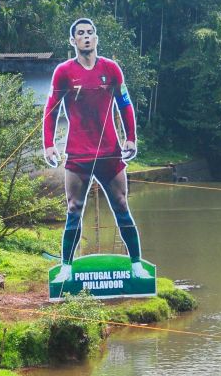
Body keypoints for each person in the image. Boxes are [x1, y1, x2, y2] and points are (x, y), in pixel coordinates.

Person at [43, 17, 150, 284]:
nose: (86, 37)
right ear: (73, 41)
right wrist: (48, 144)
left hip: (110, 153)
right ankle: (66, 268)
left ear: (96, 38)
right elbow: (51, 109)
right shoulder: (64, 71)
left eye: (90, 33)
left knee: (122, 205)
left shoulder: (111, 69)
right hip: (78, 154)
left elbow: (125, 105)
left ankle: (136, 264)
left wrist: (131, 139)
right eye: (81, 33)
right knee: (73, 208)